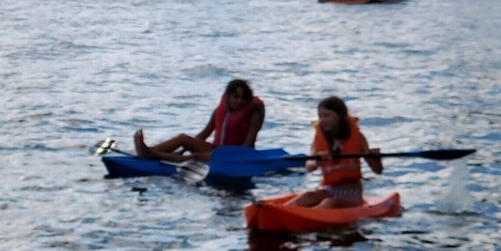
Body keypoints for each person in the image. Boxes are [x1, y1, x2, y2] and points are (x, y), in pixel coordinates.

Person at [133, 79, 265, 163]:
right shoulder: (221, 110)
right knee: (183, 138)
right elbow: (204, 134)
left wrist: (228, 157)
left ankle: (151, 154)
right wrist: (184, 148)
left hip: (235, 155)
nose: (239, 101)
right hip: (217, 150)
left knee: (195, 158)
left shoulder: (253, 114)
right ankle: (149, 151)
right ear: (228, 97)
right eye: (235, 97)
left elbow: (248, 146)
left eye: (243, 98)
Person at [287, 96, 382, 208]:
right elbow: (309, 166)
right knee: (308, 196)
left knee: (330, 202)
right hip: (329, 188)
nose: (322, 120)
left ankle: (306, 218)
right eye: (320, 116)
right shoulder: (319, 139)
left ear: (340, 117)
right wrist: (317, 161)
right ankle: (280, 212)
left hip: (352, 193)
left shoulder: (358, 137)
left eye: (326, 116)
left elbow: (377, 170)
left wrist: (376, 158)